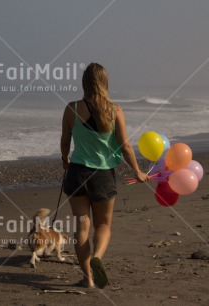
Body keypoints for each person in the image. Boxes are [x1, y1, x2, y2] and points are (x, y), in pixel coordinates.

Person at [60, 63, 149, 289]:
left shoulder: (71, 108)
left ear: (84, 82)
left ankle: (88, 277)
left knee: (81, 228)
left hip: (77, 173)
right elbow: (125, 145)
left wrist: (65, 160)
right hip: (102, 175)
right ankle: (97, 256)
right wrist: (137, 171)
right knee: (103, 226)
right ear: (104, 82)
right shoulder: (115, 110)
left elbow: (65, 140)